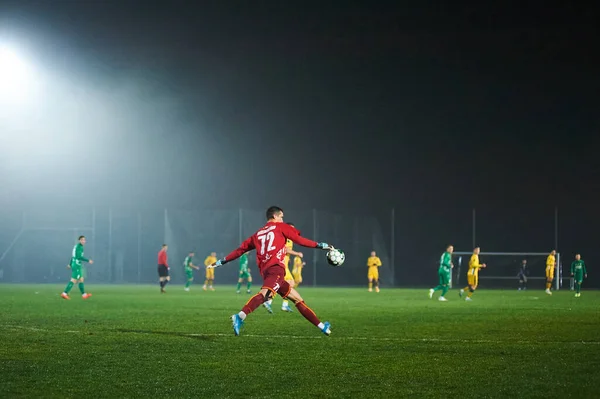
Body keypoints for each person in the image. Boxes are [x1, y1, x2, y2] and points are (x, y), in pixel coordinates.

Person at [208, 206, 334, 336]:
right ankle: (240, 316)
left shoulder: (257, 234)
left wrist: (222, 261)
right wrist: (321, 245)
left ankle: (322, 326)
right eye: (281, 217)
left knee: (297, 299)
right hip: (276, 270)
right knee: (265, 295)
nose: (282, 219)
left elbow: (240, 250)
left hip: (266, 271)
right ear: (275, 216)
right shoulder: (281, 227)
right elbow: (300, 240)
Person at [263, 222, 304, 312]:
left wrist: (287, 258)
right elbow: (285, 249)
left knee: (285, 284)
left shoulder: (289, 239)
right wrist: (297, 253)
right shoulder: (285, 238)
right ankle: (270, 301)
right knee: (288, 284)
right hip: (281, 265)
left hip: (283, 264)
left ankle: (276, 303)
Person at [61, 235, 93, 300]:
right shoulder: (79, 247)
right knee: (74, 280)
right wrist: (88, 260)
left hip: (75, 263)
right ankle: (64, 293)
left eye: (84, 240)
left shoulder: (77, 246)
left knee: (81, 279)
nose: (84, 241)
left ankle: (84, 295)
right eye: (82, 240)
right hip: (76, 265)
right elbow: (78, 257)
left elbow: (73, 256)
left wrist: (70, 264)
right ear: (79, 240)